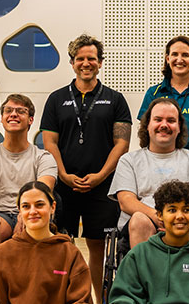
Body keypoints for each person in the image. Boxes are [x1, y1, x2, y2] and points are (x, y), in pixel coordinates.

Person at [40, 34, 132, 278]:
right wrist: (62, 174)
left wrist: (101, 176)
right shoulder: (56, 99)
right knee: (62, 246)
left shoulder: (115, 99)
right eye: (80, 58)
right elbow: (49, 141)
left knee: (98, 248)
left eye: (91, 58)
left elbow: (122, 143)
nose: (86, 63)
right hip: (65, 185)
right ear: (72, 63)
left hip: (102, 187)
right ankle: (66, 302)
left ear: (100, 62)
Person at [109, 98, 189, 248]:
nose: (164, 125)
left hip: (185, 223)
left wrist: (176, 219)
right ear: (147, 125)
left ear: (179, 127)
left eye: (171, 120)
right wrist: (158, 217)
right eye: (158, 119)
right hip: (144, 223)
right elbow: (126, 201)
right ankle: (144, 271)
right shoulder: (129, 160)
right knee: (139, 219)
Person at [0, 93, 58, 266]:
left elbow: (43, 189)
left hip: (31, 211)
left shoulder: (44, 157)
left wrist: (26, 213)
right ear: (2, 120)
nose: (13, 114)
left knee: (31, 227)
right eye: (8, 111)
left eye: (20, 111)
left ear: (30, 119)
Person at [138, 36, 189, 159]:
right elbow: (146, 134)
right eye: (174, 54)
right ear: (168, 59)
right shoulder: (154, 93)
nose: (179, 59)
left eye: (185, 55)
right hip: (160, 164)